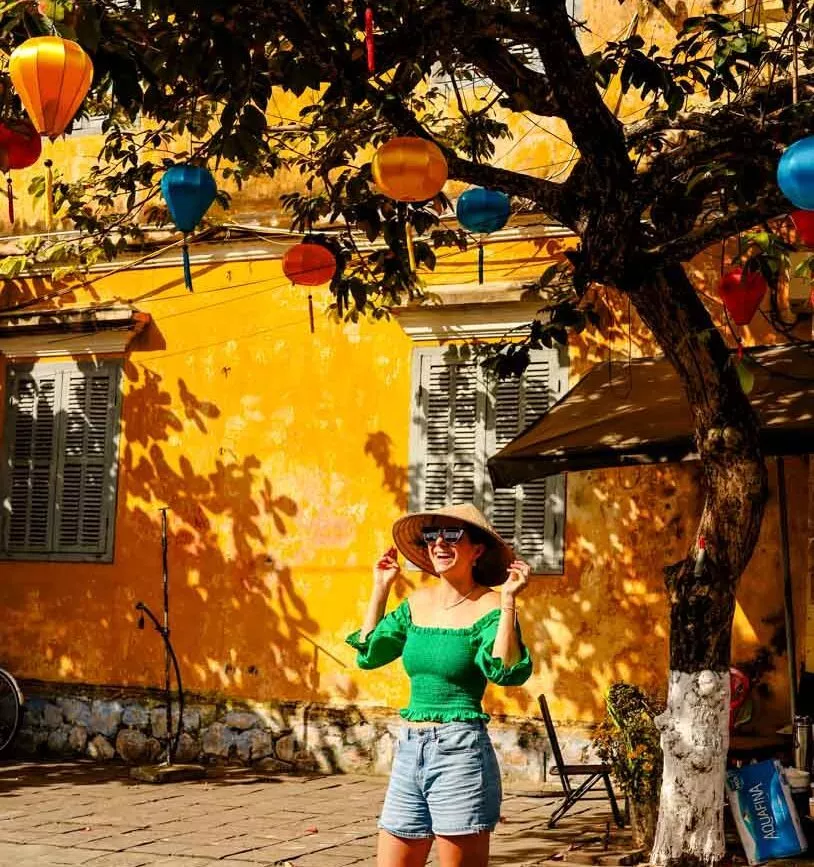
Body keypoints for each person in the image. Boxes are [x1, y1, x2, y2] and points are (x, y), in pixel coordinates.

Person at [346, 503, 533, 867]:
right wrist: (380, 589)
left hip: (460, 753)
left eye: (453, 535)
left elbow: (504, 671)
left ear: (477, 550)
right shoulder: (415, 604)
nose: (439, 543)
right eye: (432, 535)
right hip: (409, 750)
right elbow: (368, 654)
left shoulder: (491, 607)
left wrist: (509, 601)